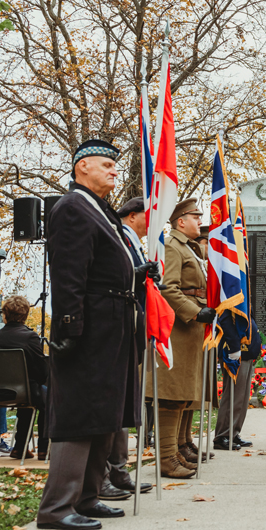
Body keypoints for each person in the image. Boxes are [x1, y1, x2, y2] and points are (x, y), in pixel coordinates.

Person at [38, 139, 143, 530]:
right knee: (80, 413)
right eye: (106, 165)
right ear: (81, 167)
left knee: (106, 414)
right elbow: (69, 273)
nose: (115, 171)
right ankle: (56, 507)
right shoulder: (72, 208)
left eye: (115, 166)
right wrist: (69, 325)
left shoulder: (100, 209)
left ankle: (87, 497)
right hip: (90, 325)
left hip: (112, 323)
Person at [155, 199, 217, 478]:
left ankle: (177, 451)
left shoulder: (188, 248)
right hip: (179, 329)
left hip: (190, 329)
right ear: (181, 221)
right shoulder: (173, 246)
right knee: (172, 393)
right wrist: (194, 312)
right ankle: (167, 457)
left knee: (182, 395)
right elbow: (168, 287)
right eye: (196, 217)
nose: (199, 221)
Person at [99, 195, 153, 499]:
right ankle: (108, 473)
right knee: (114, 405)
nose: (152, 223)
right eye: (149, 215)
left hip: (132, 326)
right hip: (116, 328)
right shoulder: (117, 235)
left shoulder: (132, 240)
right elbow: (112, 278)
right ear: (133, 215)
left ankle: (119, 470)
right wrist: (137, 273)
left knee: (123, 406)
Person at [0, 295, 48, 460]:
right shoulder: (30, 337)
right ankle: (43, 449)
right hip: (23, 393)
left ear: (4, 316)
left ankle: (20, 448)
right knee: (46, 396)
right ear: (25, 316)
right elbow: (42, 372)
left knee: (29, 394)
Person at [213, 311, 261, 450]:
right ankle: (222, 436)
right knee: (233, 396)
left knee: (242, 397)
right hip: (235, 352)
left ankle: (233, 433)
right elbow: (226, 320)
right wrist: (234, 347)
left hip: (246, 352)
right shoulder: (233, 293)